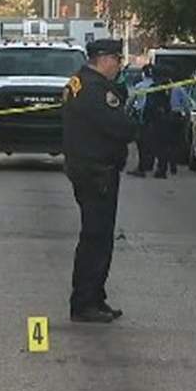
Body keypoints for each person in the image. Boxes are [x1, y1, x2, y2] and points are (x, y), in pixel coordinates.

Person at [62, 39, 136, 323]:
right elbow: (120, 126)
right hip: (97, 170)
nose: (118, 66)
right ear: (104, 59)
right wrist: (134, 125)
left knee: (97, 236)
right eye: (117, 60)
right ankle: (84, 302)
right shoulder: (95, 89)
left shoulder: (78, 82)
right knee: (97, 238)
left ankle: (94, 296)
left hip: (87, 167)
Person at [127, 65, 155, 177]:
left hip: (141, 118)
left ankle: (141, 167)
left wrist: (127, 112)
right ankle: (149, 164)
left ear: (143, 74)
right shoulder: (157, 85)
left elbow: (130, 102)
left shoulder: (139, 86)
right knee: (152, 142)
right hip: (155, 118)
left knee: (141, 143)